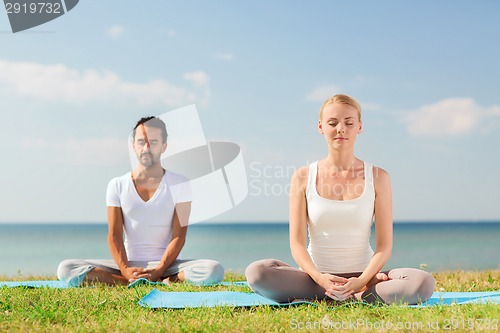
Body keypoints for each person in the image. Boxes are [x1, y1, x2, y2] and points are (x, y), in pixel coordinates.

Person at [245, 94, 435, 305]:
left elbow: (384, 246)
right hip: (314, 278)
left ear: (359, 127)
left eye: (349, 123)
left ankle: (356, 293)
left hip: (363, 276)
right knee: (257, 272)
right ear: (321, 127)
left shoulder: (379, 177)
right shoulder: (302, 177)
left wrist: (362, 280)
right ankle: (340, 294)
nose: (341, 129)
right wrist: (320, 278)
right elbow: (297, 243)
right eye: (332, 123)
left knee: (422, 282)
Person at [57, 116, 224, 286]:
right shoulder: (117, 185)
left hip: (168, 266)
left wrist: (160, 269)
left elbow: (179, 236)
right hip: (129, 265)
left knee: (213, 269)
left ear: (164, 147)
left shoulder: (180, 183)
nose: (146, 148)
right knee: (66, 269)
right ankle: (126, 281)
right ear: (133, 146)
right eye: (141, 142)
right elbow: (114, 235)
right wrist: (125, 269)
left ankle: (166, 279)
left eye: (153, 142)